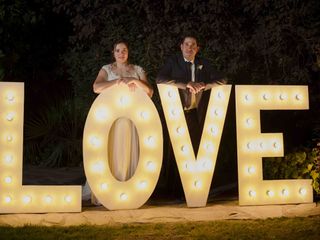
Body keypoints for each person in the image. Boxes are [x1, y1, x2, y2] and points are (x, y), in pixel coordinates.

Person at [82, 41, 153, 205]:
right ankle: (107, 192)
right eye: (118, 50)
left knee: (127, 150)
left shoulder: (137, 70)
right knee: (110, 150)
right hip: (110, 120)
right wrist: (116, 82)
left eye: (124, 50)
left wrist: (132, 80)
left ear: (128, 53)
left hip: (132, 119)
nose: (121, 53)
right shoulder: (106, 69)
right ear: (113, 52)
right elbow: (96, 87)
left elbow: (149, 92)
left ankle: (129, 191)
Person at [156, 34, 226, 198]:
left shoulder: (203, 63)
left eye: (193, 45)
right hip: (177, 114)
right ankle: (174, 192)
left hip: (196, 114)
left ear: (197, 48)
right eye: (186, 44)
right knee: (175, 154)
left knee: (196, 150)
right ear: (181, 46)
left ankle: (195, 191)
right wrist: (186, 84)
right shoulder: (174, 62)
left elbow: (222, 79)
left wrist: (204, 85)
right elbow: (160, 79)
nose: (189, 47)